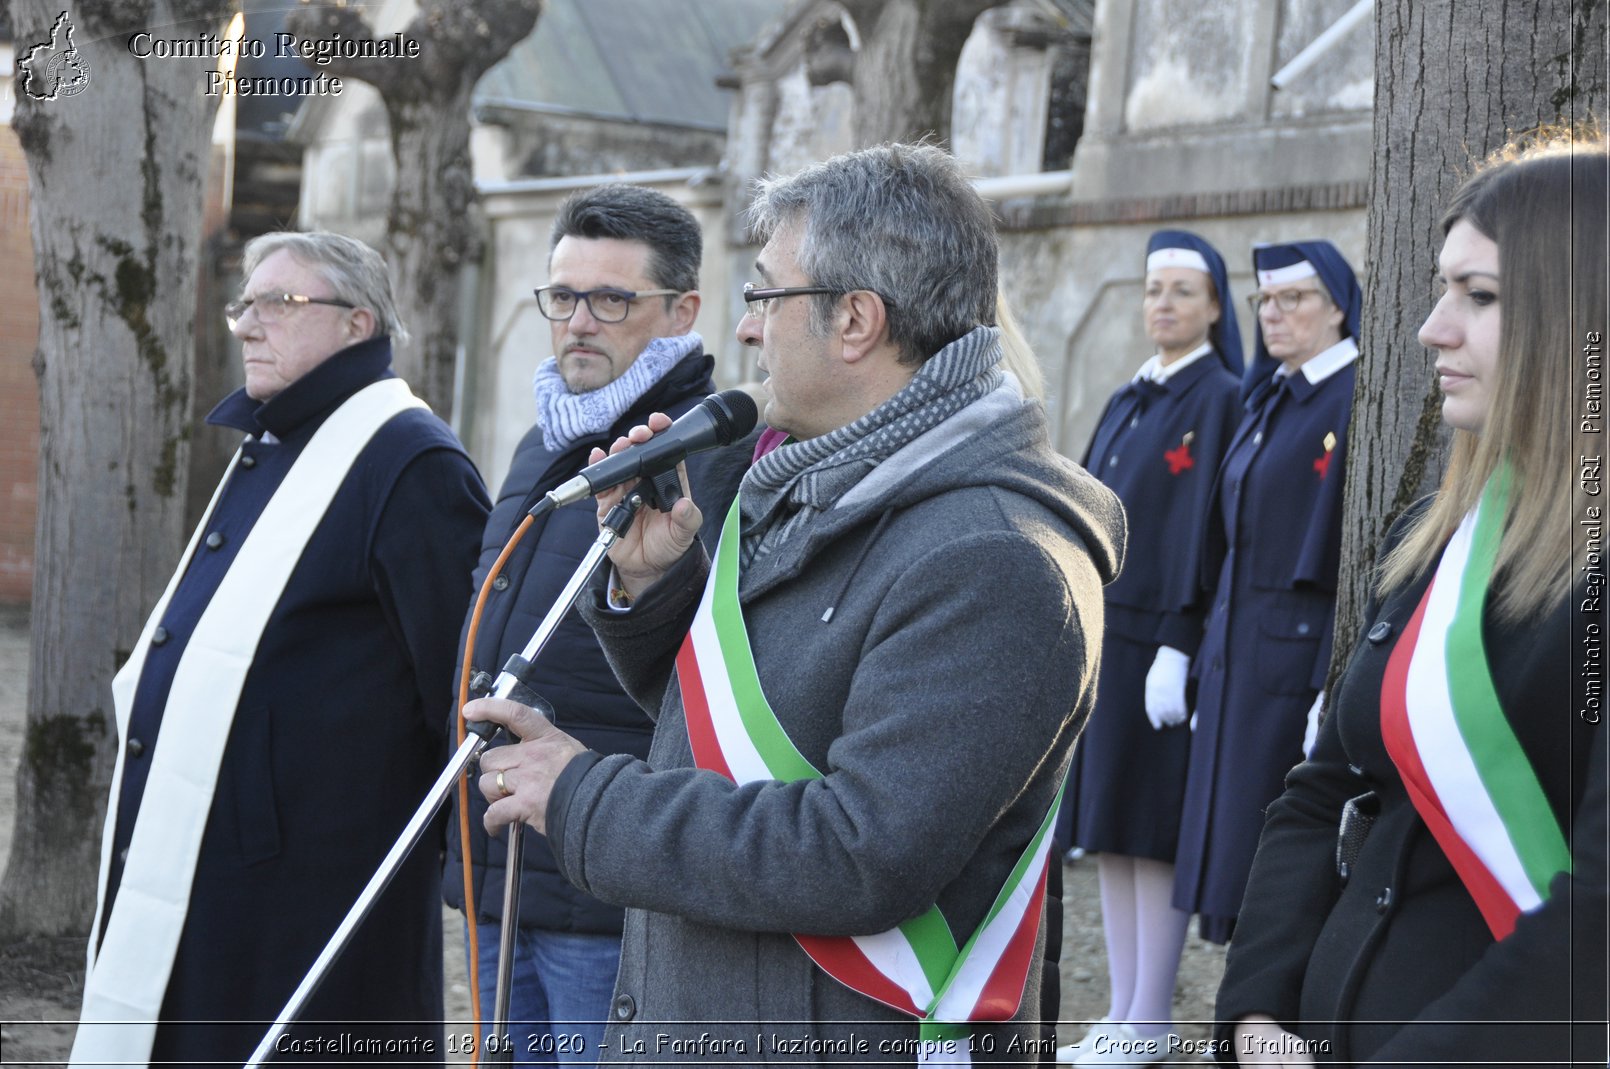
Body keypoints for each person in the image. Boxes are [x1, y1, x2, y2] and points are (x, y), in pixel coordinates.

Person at [463, 142, 1127, 1062]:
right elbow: (734, 729)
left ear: (854, 319)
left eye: (764, 297)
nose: (745, 332)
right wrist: (657, 587)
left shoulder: (998, 556)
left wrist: (584, 797)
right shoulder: (815, 480)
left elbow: (861, 850)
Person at [1213, 131, 1608, 1066]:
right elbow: (1325, 788)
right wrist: (1257, 1012)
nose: (1433, 326)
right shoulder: (1442, 531)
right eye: (1444, 289)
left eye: (1481, 296)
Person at [70, 231, 489, 1066]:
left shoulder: (412, 461)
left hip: (312, 887)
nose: (249, 326)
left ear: (356, 323)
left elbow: (459, 683)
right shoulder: (276, 441)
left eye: (279, 304)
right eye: (244, 305)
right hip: (210, 868)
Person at [445, 184, 747, 1065]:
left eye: (611, 299)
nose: (579, 321)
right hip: (502, 852)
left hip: (608, 872)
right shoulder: (543, 439)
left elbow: (713, 675)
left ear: (684, 309)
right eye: (562, 296)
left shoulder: (714, 455)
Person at [1057, 231, 1244, 1064]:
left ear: (1213, 305)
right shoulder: (1134, 393)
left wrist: (1180, 637)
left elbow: (1209, 530)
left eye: (1180, 290)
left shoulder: (1220, 396)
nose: (1161, 304)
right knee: (1114, 827)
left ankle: (1152, 1013)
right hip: (1107, 632)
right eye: (1151, 289)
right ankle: (1128, 1005)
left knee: (1152, 826)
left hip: (1161, 643)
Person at [1172, 238, 1362, 946]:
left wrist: (1328, 685)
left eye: (1295, 298)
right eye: (1265, 302)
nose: (1274, 314)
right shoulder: (1270, 397)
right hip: (1239, 657)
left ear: (1339, 305)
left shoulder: (1348, 395)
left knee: (1274, 860)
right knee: (1232, 861)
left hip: (1292, 663)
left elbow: (1342, 561)